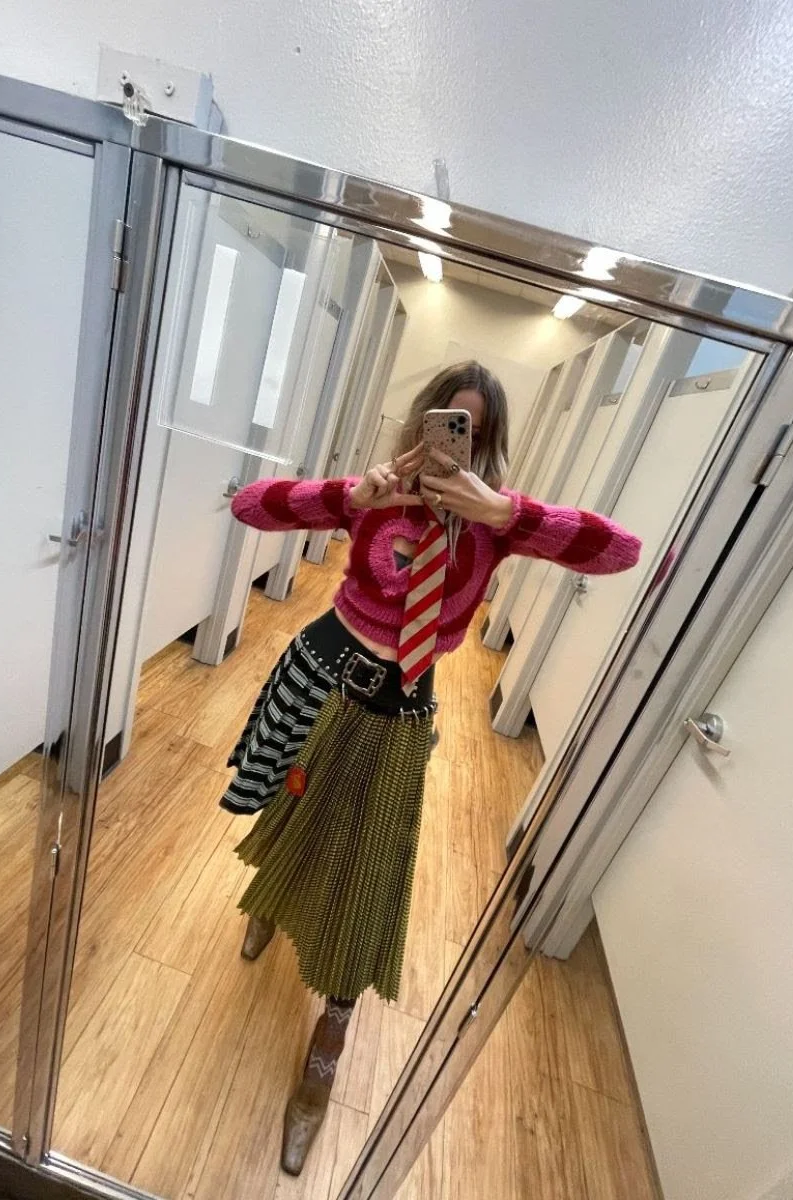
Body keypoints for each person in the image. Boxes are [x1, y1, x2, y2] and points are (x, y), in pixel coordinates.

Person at [221, 361, 641, 1175]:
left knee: (369, 870)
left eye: (470, 432)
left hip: (400, 706)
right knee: (289, 806)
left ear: (486, 444)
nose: (452, 443)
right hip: (320, 672)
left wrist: (507, 511)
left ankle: (329, 1042)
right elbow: (251, 506)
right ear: (420, 423)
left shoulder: (496, 522)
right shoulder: (376, 495)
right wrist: (353, 496)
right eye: (444, 422)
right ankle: (269, 900)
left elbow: (619, 552)